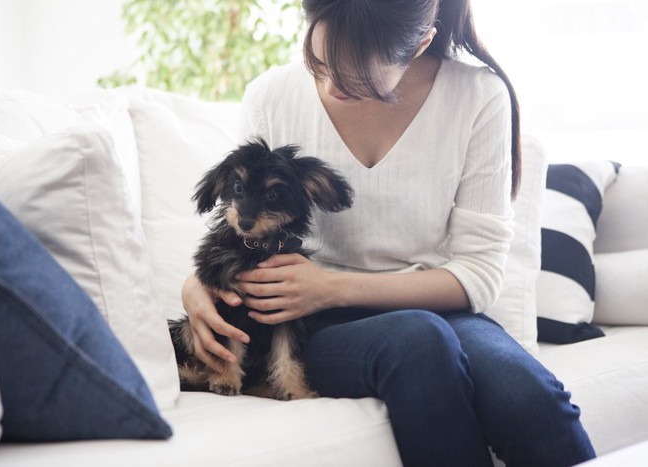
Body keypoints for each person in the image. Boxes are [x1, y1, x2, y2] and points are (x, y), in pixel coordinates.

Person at [181, 0, 596, 465]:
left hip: (428, 305)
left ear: (419, 43)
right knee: (417, 340)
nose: (331, 84)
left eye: (358, 81)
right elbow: (242, 227)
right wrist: (195, 287)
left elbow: (479, 274)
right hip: (304, 326)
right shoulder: (272, 95)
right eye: (319, 62)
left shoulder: (478, 98)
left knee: (528, 399)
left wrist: (331, 287)